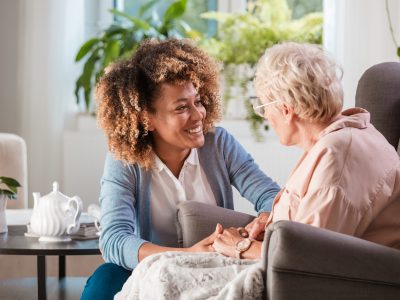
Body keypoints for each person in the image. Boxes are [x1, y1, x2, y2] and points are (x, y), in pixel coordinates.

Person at [80, 38, 280, 299]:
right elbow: (114, 239)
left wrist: (265, 218)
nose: (198, 115)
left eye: (197, 101)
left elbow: (271, 196)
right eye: (182, 107)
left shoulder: (218, 144)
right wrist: (187, 255)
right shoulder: (124, 160)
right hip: (151, 269)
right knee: (106, 279)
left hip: (213, 268)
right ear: (146, 118)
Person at [212, 42, 400, 259]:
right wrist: (272, 223)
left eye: (263, 107)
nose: (265, 116)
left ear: (286, 110)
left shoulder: (336, 155)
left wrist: (241, 247)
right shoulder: (348, 135)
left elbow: (309, 257)